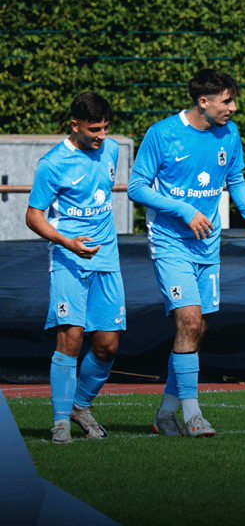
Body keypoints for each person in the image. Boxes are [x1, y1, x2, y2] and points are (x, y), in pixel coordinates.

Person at [128, 68, 245, 438]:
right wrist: (184, 211)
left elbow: (234, 179)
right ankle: (194, 416)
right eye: (227, 101)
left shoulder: (229, 134)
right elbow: (136, 187)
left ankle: (166, 414)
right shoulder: (162, 134)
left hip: (208, 245)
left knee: (199, 327)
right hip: (170, 243)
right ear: (203, 102)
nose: (234, 108)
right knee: (188, 321)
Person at [25, 92, 124, 445]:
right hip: (69, 260)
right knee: (70, 337)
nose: (101, 135)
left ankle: (81, 406)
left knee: (107, 346)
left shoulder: (111, 150)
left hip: (107, 260)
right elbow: (33, 216)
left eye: (105, 127)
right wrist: (68, 242)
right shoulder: (52, 164)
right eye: (94, 128)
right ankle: (60, 421)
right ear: (75, 125)